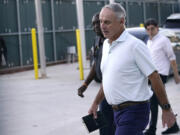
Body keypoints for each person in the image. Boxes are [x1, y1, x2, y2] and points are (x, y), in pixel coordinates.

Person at [88, 3, 176, 135]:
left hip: (134, 111)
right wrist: (95, 103)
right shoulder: (106, 45)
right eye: (101, 21)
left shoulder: (135, 46)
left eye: (107, 22)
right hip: (115, 111)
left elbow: (154, 77)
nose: (102, 26)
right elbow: (107, 80)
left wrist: (166, 109)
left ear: (121, 21)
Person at [77, 13, 115, 135]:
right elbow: (95, 64)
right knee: (104, 124)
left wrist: (96, 101)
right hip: (103, 89)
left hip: (115, 89)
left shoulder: (112, 42)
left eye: (98, 22)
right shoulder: (97, 40)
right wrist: (85, 84)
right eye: (93, 24)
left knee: (114, 124)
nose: (96, 26)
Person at [144, 18, 180, 135]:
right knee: (159, 102)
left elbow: (172, 58)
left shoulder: (163, 40)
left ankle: (152, 129)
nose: (150, 31)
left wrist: (176, 75)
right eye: (148, 29)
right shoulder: (149, 41)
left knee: (154, 102)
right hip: (152, 75)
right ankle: (173, 125)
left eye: (152, 29)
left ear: (157, 28)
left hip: (161, 75)